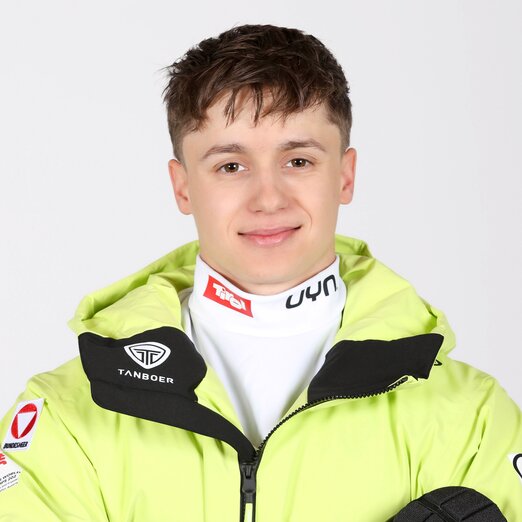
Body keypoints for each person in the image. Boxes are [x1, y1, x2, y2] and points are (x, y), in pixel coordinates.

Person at [0, 24, 520, 522]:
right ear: (183, 186)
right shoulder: (67, 415)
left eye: (298, 161)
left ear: (345, 175)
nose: (268, 199)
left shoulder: (472, 418)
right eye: (231, 166)